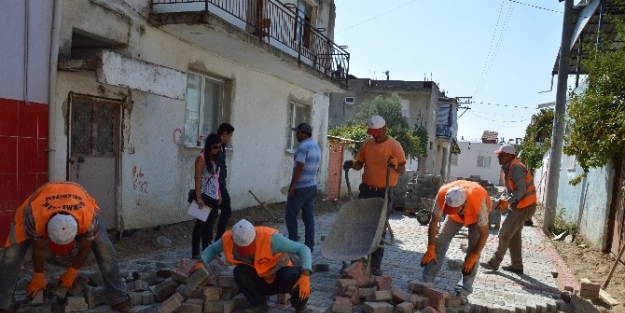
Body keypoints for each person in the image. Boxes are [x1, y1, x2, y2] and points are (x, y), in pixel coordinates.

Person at [0, 181, 135, 313]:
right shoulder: (35, 216)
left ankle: (119, 299)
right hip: (40, 201)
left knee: (105, 248)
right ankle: (2, 304)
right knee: (11, 255)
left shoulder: (87, 219)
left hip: (77, 198)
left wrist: (73, 271)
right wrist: (39, 275)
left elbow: (85, 247)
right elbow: (38, 246)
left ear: (77, 232)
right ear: (46, 231)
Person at [201, 219, 312, 313]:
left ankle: (300, 306)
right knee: (240, 271)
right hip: (258, 281)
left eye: (249, 246)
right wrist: (201, 262)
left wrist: (306, 274)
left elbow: (303, 249)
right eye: (243, 248)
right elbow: (212, 249)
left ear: (254, 236)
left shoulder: (272, 238)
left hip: (279, 277)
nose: (247, 251)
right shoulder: (228, 239)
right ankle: (259, 304)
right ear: (234, 240)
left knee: (296, 279)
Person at [342, 115, 407, 275]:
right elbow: (359, 165)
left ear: (384, 129)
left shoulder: (394, 145)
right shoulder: (367, 144)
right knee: (360, 226)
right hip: (367, 190)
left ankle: (375, 267)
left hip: (384, 192)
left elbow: (402, 170)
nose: (375, 135)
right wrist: (351, 164)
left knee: (379, 230)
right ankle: (356, 264)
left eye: (377, 132)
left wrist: (395, 165)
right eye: (373, 133)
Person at [420, 181, 493, 299]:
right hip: (455, 217)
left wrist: (473, 257)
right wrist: (431, 247)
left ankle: (464, 289)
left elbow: (484, 234)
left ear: (464, 205)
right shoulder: (443, 194)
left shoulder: (479, 203)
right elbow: (433, 222)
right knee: (439, 242)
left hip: (476, 217)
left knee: (473, 251)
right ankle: (428, 280)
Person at [481, 144, 537, 274]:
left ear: (509, 155)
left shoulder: (516, 168)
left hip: (524, 206)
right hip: (520, 205)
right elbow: (510, 190)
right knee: (513, 236)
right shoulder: (509, 168)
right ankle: (517, 266)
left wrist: (507, 202)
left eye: (501, 154)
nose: (498, 157)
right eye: (498, 154)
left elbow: (521, 190)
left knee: (505, 232)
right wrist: (503, 199)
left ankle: (494, 262)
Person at [285, 123, 321, 252]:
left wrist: (292, 186)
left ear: (305, 134)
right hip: (312, 186)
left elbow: (300, 167)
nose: (296, 134)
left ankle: (293, 245)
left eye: (298, 132)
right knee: (308, 218)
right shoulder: (316, 147)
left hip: (301, 187)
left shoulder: (303, 147)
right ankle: (309, 246)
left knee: (290, 216)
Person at [191, 133, 222, 259]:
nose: (217, 150)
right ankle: (195, 252)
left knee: (210, 225)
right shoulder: (201, 158)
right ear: (209, 145)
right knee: (200, 225)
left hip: (214, 195)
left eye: (219, 147)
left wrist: (219, 194)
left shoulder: (215, 159)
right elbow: (197, 178)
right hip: (204, 195)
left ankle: (207, 249)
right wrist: (198, 197)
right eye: (215, 147)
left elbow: (216, 178)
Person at [213, 123, 235, 241]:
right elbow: (213, 169)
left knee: (224, 211)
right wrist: (217, 189)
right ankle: (214, 241)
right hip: (216, 185)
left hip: (220, 183)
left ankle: (218, 240)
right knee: (211, 214)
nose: (230, 138)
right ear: (224, 133)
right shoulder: (215, 147)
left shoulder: (221, 147)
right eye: (230, 135)